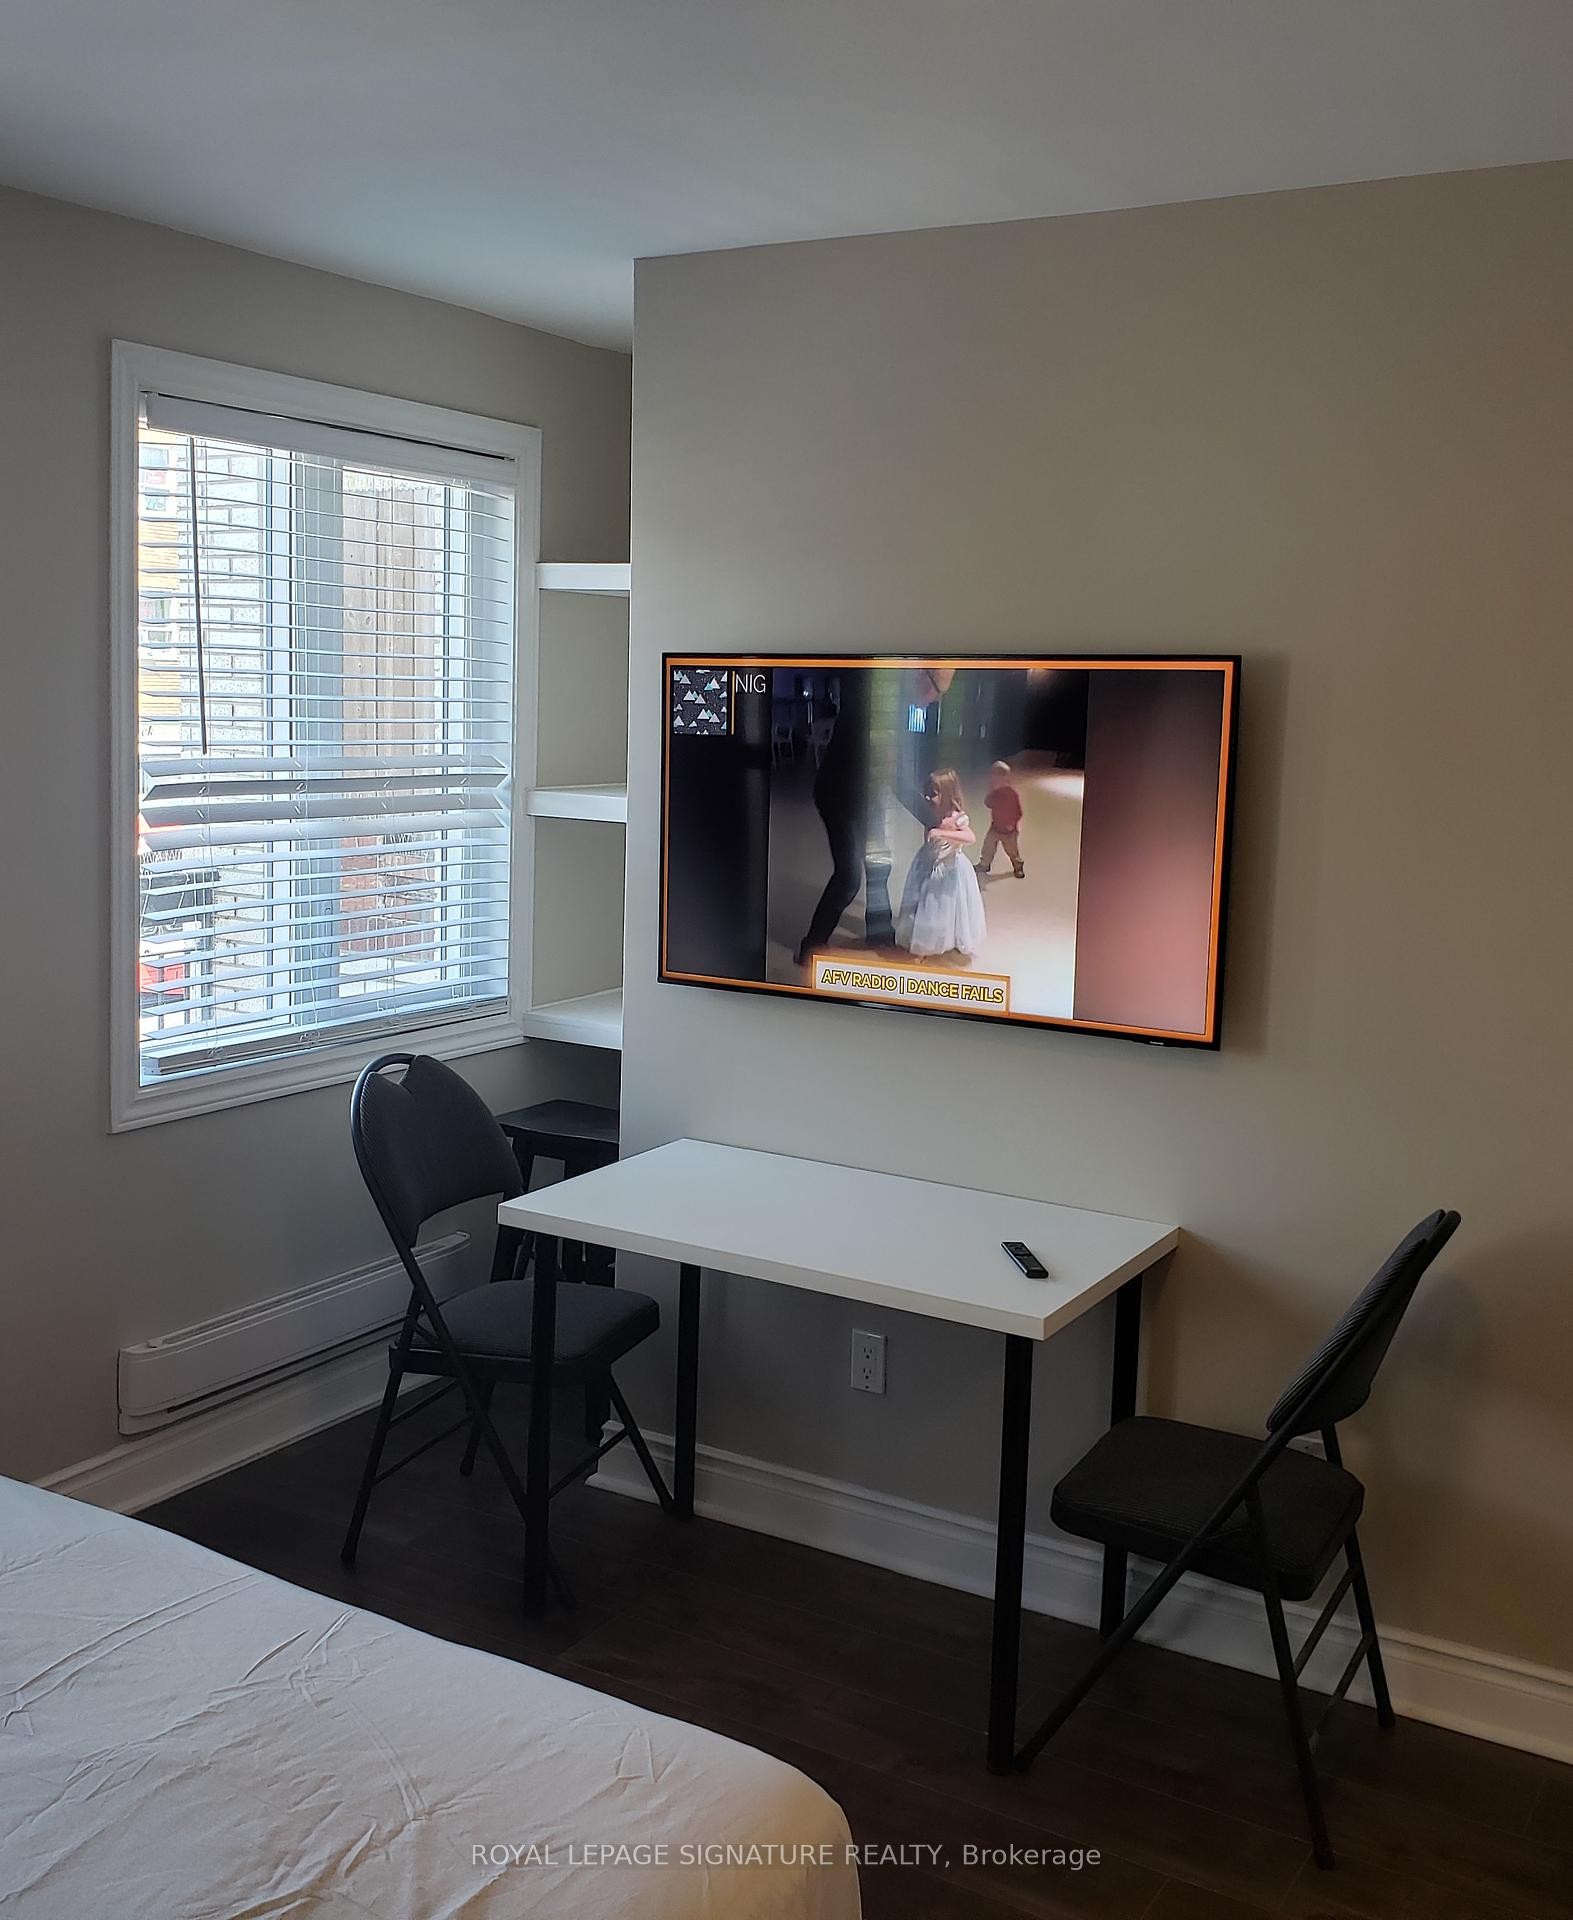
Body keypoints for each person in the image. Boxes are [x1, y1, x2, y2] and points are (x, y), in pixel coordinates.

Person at [896, 768, 986, 960]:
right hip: (927, 863)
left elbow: (970, 837)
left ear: (948, 794)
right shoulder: (931, 814)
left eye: (934, 794)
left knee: (943, 906)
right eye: (927, 793)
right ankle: (922, 944)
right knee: (923, 905)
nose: (928, 798)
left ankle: (946, 940)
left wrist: (941, 833)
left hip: (948, 870)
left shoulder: (957, 817)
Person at [977, 760, 1026, 878]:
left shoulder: (1012, 794)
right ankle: (984, 864)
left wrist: (1012, 823)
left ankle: (1018, 866)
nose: (994, 781)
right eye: (993, 778)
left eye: (998, 779)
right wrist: (990, 791)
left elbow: (1018, 812)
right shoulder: (995, 793)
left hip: (1009, 831)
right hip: (995, 827)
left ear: (1005, 779)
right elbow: (988, 804)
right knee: (988, 846)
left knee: (1012, 851)